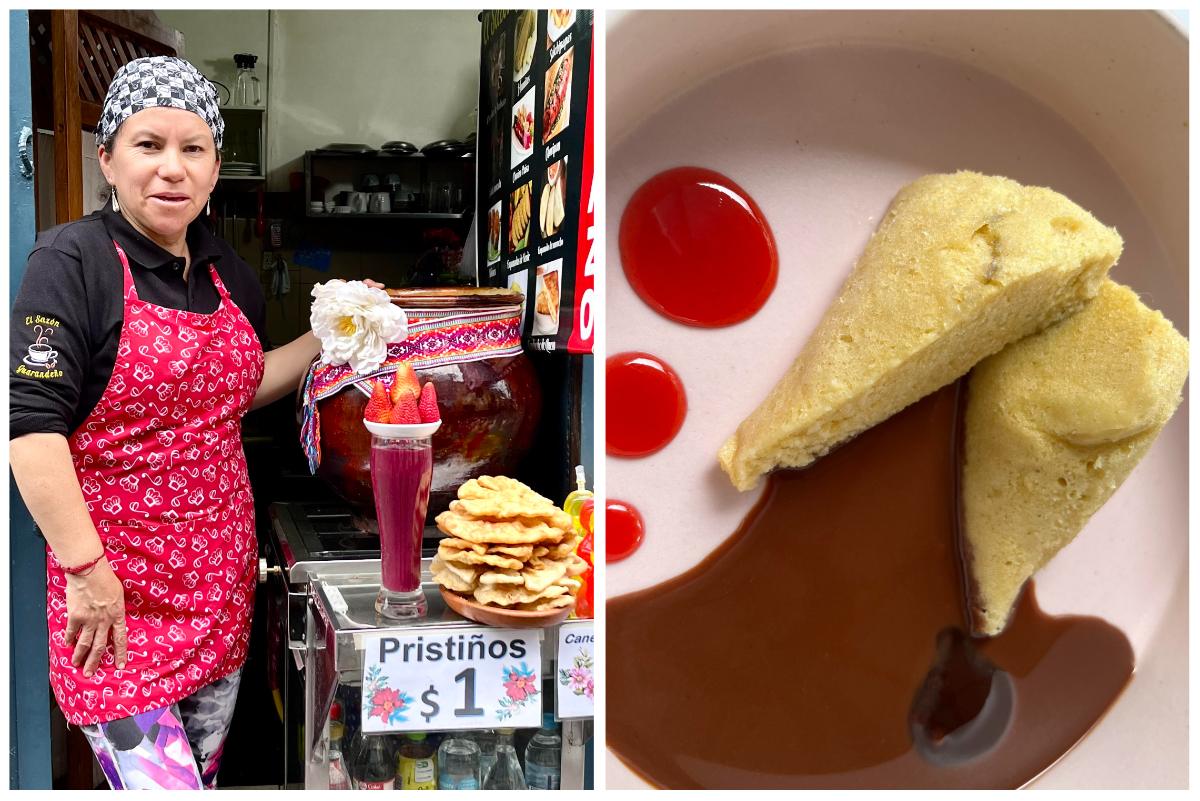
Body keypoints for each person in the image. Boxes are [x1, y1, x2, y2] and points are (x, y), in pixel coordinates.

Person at [9, 56, 376, 790]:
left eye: (193, 148)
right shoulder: (71, 261)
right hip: (114, 608)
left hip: (216, 595)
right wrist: (86, 571)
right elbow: (32, 431)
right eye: (148, 145)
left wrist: (334, 332)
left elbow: (238, 388)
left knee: (200, 779)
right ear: (108, 159)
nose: (171, 169)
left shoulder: (225, 273)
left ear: (214, 169)